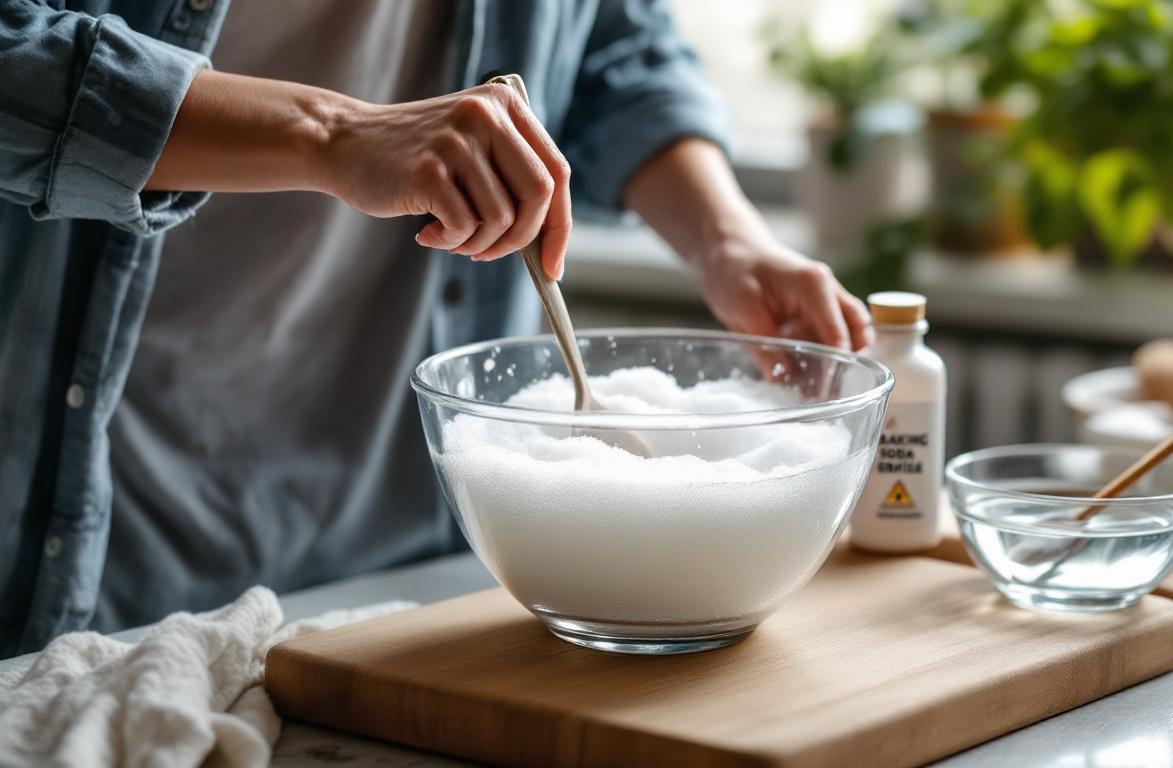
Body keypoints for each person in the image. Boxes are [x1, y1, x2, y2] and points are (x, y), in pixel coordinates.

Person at [0, 0, 873, 657]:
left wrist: (730, 241)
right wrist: (332, 133)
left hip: (412, 566)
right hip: (102, 543)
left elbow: (616, 45)